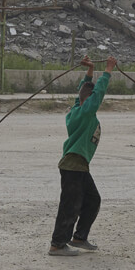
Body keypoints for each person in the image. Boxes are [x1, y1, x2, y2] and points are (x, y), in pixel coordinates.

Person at [49, 54, 116, 257]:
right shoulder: (86, 111)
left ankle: (79, 237)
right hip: (73, 164)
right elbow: (97, 94)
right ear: (89, 100)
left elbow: (83, 92)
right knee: (70, 205)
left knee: (93, 200)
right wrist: (108, 70)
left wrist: (89, 71)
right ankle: (57, 244)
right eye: (93, 98)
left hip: (79, 165)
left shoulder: (77, 109)